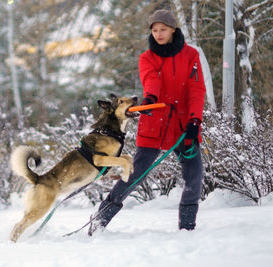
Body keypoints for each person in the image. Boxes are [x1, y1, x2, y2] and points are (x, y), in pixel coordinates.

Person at [88, 9, 206, 235]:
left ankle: (187, 229)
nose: (159, 34)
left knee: (194, 175)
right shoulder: (147, 57)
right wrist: (150, 98)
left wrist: (195, 120)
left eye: (163, 29)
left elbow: (196, 88)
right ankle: (99, 221)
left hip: (184, 124)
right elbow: (151, 79)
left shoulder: (191, 55)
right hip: (155, 119)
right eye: (155, 30)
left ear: (173, 30)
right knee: (133, 175)